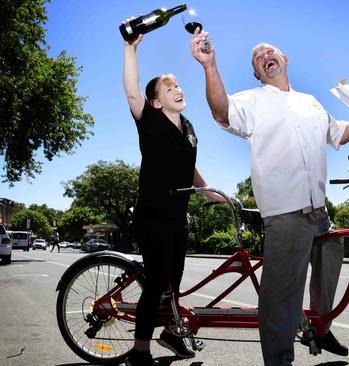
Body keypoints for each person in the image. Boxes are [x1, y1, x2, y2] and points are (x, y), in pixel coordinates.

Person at [190, 30, 349, 366]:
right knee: (280, 297)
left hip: (318, 211)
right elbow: (221, 111)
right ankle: (279, 361)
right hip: (285, 213)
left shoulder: (310, 102)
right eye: (258, 58)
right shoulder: (252, 100)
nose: (265, 56)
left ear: (285, 58)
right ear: (257, 73)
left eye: (269, 51)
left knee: (332, 253)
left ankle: (319, 327)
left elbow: (339, 134)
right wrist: (209, 65)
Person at [122, 18, 225, 366]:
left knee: (173, 286)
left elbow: (189, 168)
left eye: (178, 85)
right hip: (152, 215)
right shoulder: (148, 121)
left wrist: (209, 191)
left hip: (178, 216)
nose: (178, 90)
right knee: (156, 284)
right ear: (155, 102)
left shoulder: (189, 126)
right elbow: (132, 90)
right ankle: (140, 351)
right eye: (169, 89)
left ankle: (170, 332)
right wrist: (130, 48)